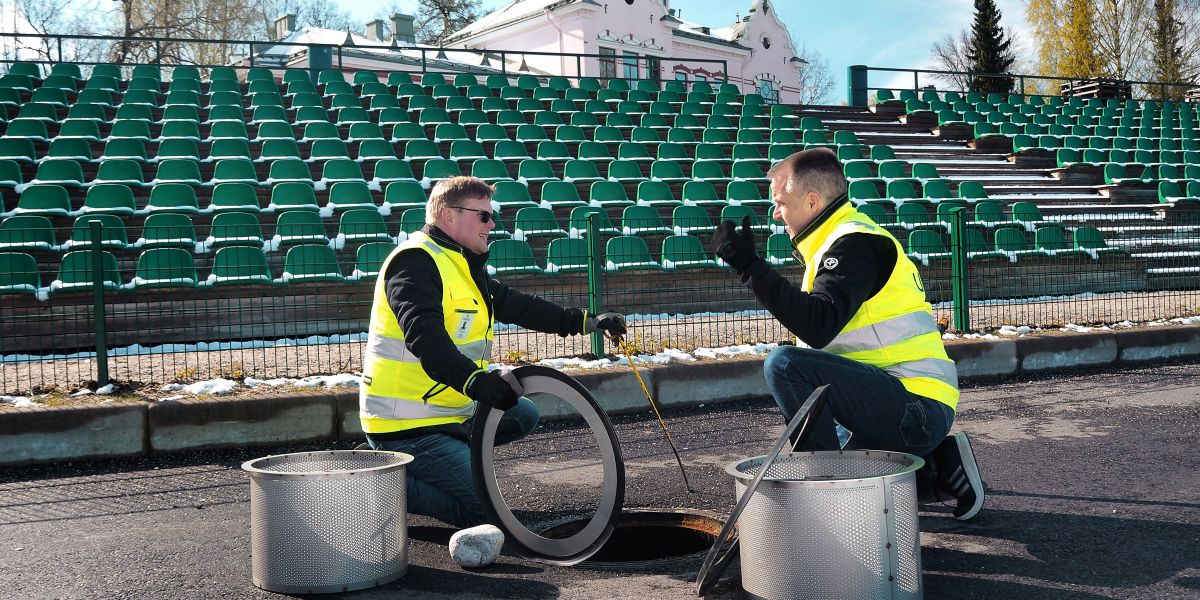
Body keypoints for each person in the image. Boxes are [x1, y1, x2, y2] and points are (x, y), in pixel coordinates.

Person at [711, 148, 984, 520]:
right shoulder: (835, 243)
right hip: (896, 404)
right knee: (858, 474)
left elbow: (817, 324)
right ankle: (938, 466)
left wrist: (750, 267)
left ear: (811, 201)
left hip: (915, 406)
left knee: (785, 364)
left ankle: (827, 499)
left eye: (781, 202)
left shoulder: (854, 244)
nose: (776, 213)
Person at [360, 176, 626, 528]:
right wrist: (476, 381)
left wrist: (589, 322)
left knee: (523, 413)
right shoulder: (415, 262)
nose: (492, 223)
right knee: (490, 514)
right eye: (483, 215)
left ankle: (434, 462)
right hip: (406, 424)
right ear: (449, 215)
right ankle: (372, 480)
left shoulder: (461, 264)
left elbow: (519, 306)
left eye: (491, 215)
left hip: (450, 414)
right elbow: (425, 339)